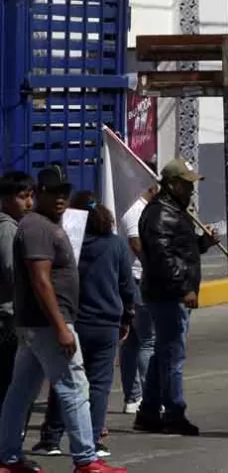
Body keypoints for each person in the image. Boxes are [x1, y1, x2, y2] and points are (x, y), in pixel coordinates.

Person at [0, 167, 126, 473]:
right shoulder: (36, 228)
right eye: (52, 192)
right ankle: (86, 458)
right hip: (47, 324)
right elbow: (40, 280)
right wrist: (61, 327)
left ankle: (7, 457)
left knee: (21, 390)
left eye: (63, 193)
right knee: (74, 385)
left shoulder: (41, 224)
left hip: (36, 323)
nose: (59, 198)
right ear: (39, 193)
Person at [31, 193, 135, 460]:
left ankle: (51, 437)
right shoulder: (116, 245)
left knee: (64, 381)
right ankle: (95, 439)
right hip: (106, 324)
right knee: (99, 384)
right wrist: (127, 317)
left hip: (74, 323)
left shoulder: (68, 247)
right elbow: (127, 285)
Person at [133, 158, 220, 437]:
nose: (190, 189)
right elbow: (163, 258)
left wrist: (203, 243)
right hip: (167, 294)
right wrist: (184, 287)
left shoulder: (175, 211)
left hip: (169, 292)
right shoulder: (160, 214)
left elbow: (182, 249)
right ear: (171, 185)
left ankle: (148, 412)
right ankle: (174, 412)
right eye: (185, 184)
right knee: (173, 355)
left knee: (163, 354)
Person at [118, 172, 156, 416]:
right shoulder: (135, 208)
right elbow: (135, 242)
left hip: (135, 279)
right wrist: (154, 267)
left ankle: (133, 397)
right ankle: (145, 396)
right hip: (138, 279)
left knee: (132, 342)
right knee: (146, 341)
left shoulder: (143, 208)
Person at [0, 173, 33, 410]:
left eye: (31, 196)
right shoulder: (8, 229)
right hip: (7, 318)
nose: (29, 203)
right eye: (22, 197)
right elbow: (13, 273)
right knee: (9, 381)